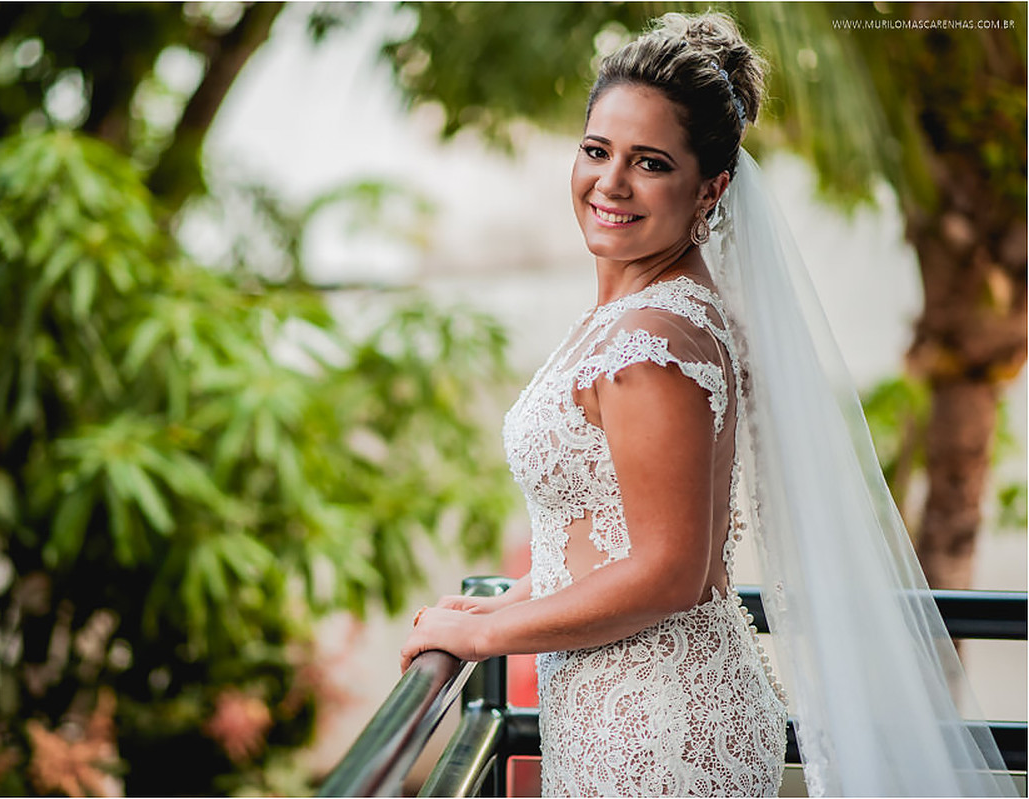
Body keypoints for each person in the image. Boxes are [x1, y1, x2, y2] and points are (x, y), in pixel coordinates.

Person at [400, 11, 1016, 798]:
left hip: (657, 732)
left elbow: (671, 569)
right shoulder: (657, 308)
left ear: (711, 186)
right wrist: (514, 595)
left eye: (650, 162)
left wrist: (483, 632)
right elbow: (615, 532)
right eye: (597, 150)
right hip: (626, 705)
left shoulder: (652, 340)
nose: (610, 183)